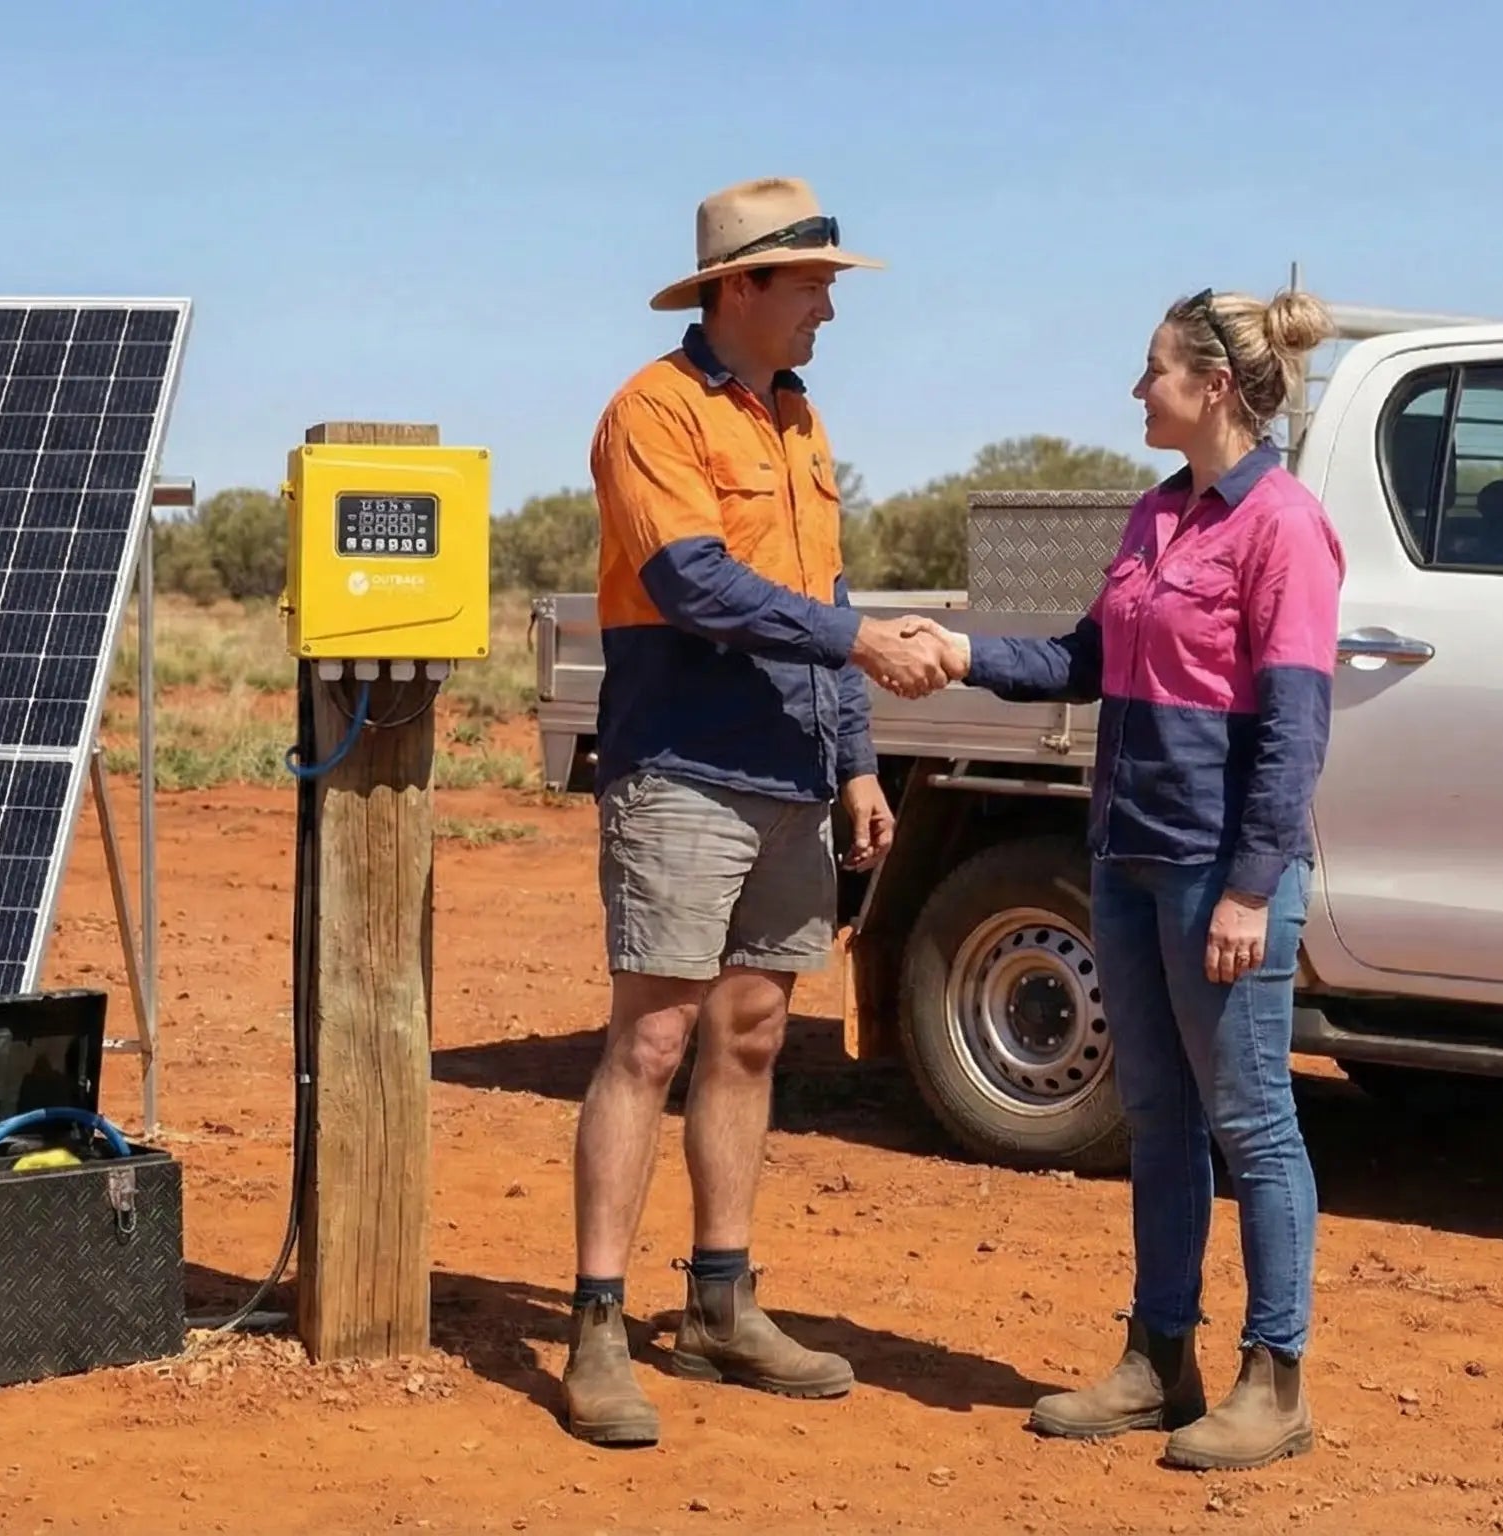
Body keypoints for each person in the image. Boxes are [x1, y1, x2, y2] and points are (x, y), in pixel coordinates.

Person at [905, 285, 1344, 1471]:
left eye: (1152, 370)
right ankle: (1160, 1358)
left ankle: (1276, 1376)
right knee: (1157, 1120)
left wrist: (1253, 887)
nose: (1135, 391)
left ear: (1211, 386)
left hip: (1220, 875)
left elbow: (1296, 730)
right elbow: (1082, 661)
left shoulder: (1284, 527)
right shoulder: (1156, 517)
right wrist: (963, 654)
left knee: (1253, 1124)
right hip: (1130, 856)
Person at [560, 175, 955, 1448]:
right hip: (680, 766)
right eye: (814, 290)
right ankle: (598, 1327)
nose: (828, 315)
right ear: (741, 287)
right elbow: (694, 583)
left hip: (791, 774)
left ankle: (721, 1308)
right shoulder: (652, 412)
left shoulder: (799, 423)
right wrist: (853, 637)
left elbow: (817, 589)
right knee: (654, 1043)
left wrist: (854, 763)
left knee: (748, 1038)